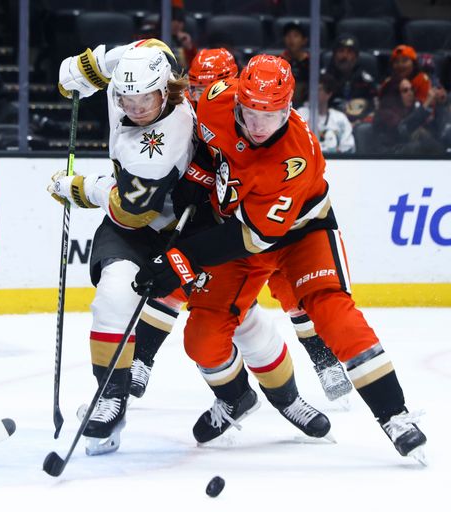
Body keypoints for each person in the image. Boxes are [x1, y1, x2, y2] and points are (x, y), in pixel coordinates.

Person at [135, 54, 427, 461]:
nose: (257, 126)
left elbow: (252, 238)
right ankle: (236, 399)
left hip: (298, 235)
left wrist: (181, 259)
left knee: (331, 311)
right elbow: (207, 143)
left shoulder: (294, 159)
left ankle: (395, 415)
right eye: (250, 112)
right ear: (238, 97)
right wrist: (197, 180)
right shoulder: (217, 98)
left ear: (289, 108)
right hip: (238, 227)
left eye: (269, 116)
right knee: (202, 338)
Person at [51, 40, 330, 455]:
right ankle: (111, 399)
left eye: (146, 97)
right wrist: (80, 69)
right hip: (143, 228)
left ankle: (285, 398)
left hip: (186, 230)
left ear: (165, 89)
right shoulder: (147, 63)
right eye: (126, 96)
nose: (136, 107)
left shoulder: (169, 138)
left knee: (240, 318)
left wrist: (78, 189)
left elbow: (131, 209)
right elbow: (128, 55)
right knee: (113, 295)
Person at [188, 49, 353, 401]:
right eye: (197, 87)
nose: (203, 94)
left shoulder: (265, 120)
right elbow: (209, 151)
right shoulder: (211, 111)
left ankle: (324, 360)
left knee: (296, 297)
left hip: (278, 225)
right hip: (238, 226)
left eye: (210, 86)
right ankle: (142, 362)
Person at [373, 77, 446, 155]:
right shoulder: (384, 113)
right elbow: (402, 129)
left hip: (407, 158)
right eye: (405, 90)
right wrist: (427, 105)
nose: (410, 93)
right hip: (387, 158)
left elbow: (435, 133)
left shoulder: (410, 110)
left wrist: (439, 104)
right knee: (422, 146)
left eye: (411, 89)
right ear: (394, 94)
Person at [321, 34, 377, 124]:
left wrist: (359, 123)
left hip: (358, 125)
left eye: (350, 52)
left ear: (356, 56)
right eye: (341, 51)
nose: (345, 56)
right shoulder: (323, 78)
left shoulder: (366, 81)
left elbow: (374, 110)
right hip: (328, 124)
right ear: (334, 54)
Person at [297, 73, 356, 154]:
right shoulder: (300, 114)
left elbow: (348, 147)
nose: (313, 92)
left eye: (319, 89)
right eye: (312, 89)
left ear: (329, 94)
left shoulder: (340, 118)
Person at [279, 21, 310, 108]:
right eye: (288, 36)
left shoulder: (311, 63)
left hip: (306, 107)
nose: (291, 39)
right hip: (282, 106)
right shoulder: (278, 62)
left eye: (296, 36)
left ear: (304, 40)